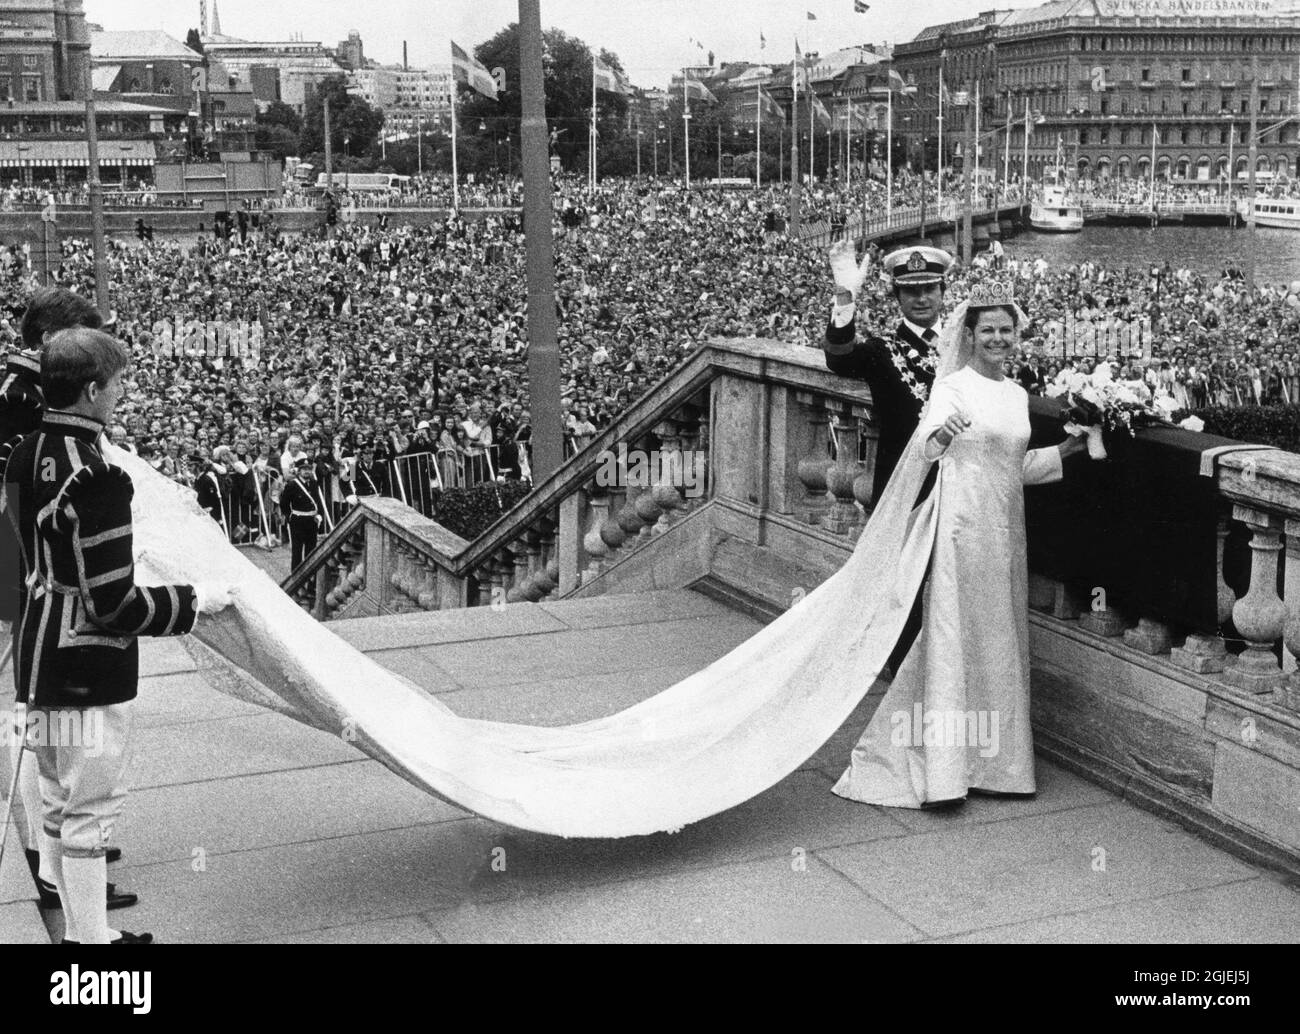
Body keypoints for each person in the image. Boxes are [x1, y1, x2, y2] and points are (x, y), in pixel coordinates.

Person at [1, 327, 233, 943]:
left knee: (57, 797)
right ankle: (92, 950)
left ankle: (82, 937)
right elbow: (115, 606)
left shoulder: (26, 451)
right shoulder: (98, 478)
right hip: (87, 666)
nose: (121, 393)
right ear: (92, 389)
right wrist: (192, 601)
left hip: (37, 654)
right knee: (89, 811)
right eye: (119, 382)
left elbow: (40, 561)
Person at [831, 281, 1089, 809]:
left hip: (1005, 530)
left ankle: (998, 766)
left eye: (1006, 330)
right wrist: (944, 433)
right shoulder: (951, 387)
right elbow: (924, 448)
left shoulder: (1016, 395)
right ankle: (946, 771)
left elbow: (1015, 466)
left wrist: (1071, 446)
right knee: (951, 633)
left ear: (1017, 336)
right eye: (987, 329)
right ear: (968, 335)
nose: (997, 338)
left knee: (998, 635)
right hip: (958, 527)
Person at [822, 241, 953, 506]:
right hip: (904, 483)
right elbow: (839, 357)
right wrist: (846, 296)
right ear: (897, 296)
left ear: (943, 291)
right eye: (911, 291)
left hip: (955, 480)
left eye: (929, 289)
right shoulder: (881, 350)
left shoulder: (961, 344)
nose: (922, 298)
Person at [281, 457, 321, 572]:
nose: (307, 471)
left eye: (309, 469)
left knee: (311, 551)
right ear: (298, 471)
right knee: (297, 552)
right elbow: (284, 503)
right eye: (304, 469)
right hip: (298, 521)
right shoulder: (292, 485)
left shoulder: (313, 483)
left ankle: (310, 579)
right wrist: (289, 517)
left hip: (312, 520)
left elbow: (317, 500)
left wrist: (319, 515)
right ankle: (296, 580)